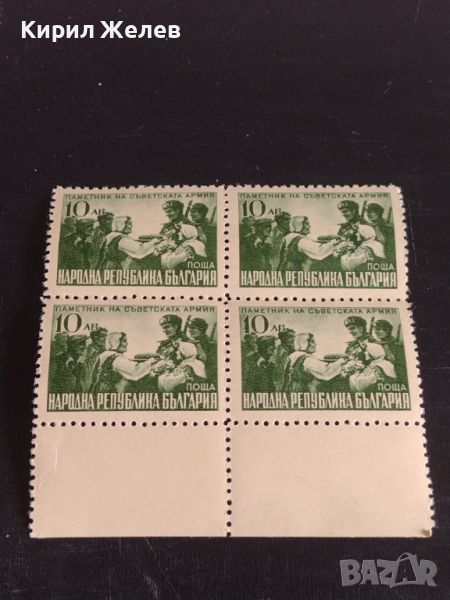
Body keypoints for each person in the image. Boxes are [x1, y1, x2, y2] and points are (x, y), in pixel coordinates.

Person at [89, 332, 156, 394]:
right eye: (124, 341)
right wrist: (149, 362)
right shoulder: (117, 358)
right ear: (116, 342)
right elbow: (134, 371)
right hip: (107, 390)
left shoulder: (106, 354)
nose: (126, 343)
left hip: (99, 388)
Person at [343, 316, 396, 392]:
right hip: (359, 370)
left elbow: (390, 359)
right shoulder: (352, 345)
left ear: (361, 328)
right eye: (349, 329)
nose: (350, 332)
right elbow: (349, 357)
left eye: (353, 328)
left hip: (375, 371)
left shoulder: (376, 342)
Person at [156, 315, 206, 391]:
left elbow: (201, 359)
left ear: (175, 327)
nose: (164, 330)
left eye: (167, 327)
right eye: (163, 328)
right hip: (167, 370)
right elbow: (160, 356)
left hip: (183, 373)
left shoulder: (191, 343)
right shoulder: (165, 344)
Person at [334, 201, 385, 271]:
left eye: (345, 211)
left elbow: (378, 240)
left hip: (363, 250)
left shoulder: (367, 224)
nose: (343, 214)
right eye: (342, 212)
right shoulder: (346, 225)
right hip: (350, 248)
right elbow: (341, 237)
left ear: (353, 211)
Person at [97, 216, 162, 270]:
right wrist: (154, 241)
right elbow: (139, 250)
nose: (131, 226)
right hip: (114, 268)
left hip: (107, 266)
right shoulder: (122, 239)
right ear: (121, 225)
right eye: (129, 224)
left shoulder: (112, 235)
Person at [372, 319, 407, 384]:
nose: (376, 332)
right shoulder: (377, 343)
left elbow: (397, 364)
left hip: (394, 377)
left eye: (378, 329)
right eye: (375, 329)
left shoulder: (397, 345)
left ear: (387, 330)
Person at [81, 327, 108, 392]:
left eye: (106, 336)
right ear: (95, 337)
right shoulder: (85, 352)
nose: (105, 339)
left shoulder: (106, 353)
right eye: (102, 336)